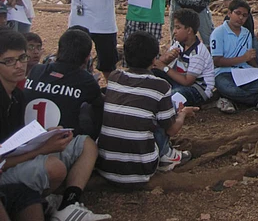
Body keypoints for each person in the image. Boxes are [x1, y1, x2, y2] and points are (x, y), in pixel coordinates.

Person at [0, 30, 110, 221]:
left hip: (16, 160)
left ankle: (68, 203)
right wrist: (42, 149)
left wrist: (43, 136)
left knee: (85, 144)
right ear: (86, 58)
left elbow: (15, 142)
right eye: (9, 61)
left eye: (22, 58)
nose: (19, 65)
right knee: (55, 167)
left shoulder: (17, 94)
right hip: (7, 170)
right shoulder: (82, 78)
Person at [97, 31, 197, 185]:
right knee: (162, 114)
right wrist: (183, 114)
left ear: (125, 56)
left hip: (105, 166)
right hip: (142, 169)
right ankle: (166, 155)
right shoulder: (160, 86)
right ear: (154, 59)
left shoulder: (114, 78)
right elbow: (171, 130)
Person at [23, 28, 103, 139]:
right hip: (62, 140)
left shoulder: (37, 70)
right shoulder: (85, 79)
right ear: (87, 58)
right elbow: (101, 103)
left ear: (59, 51)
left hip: (26, 135)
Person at [211, 0, 258, 114]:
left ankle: (228, 97)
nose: (241, 17)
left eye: (244, 15)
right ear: (229, 13)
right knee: (225, 85)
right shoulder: (218, 32)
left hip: (244, 72)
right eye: (237, 13)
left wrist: (257, 67)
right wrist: (243, 58)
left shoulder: (246, 33)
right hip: (224, 73)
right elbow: (217, 61)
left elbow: (249, 57)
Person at [155, 8, 214, 106]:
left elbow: (187, 81)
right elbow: (158, 64)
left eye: (178, 28)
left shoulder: (197, 53)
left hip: (197, 89)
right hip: (179, 81)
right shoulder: (179, 44)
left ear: (189, 30)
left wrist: (165, 68)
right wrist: (167, 58)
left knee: (173, 97)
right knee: (154, 72)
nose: (174, 31)